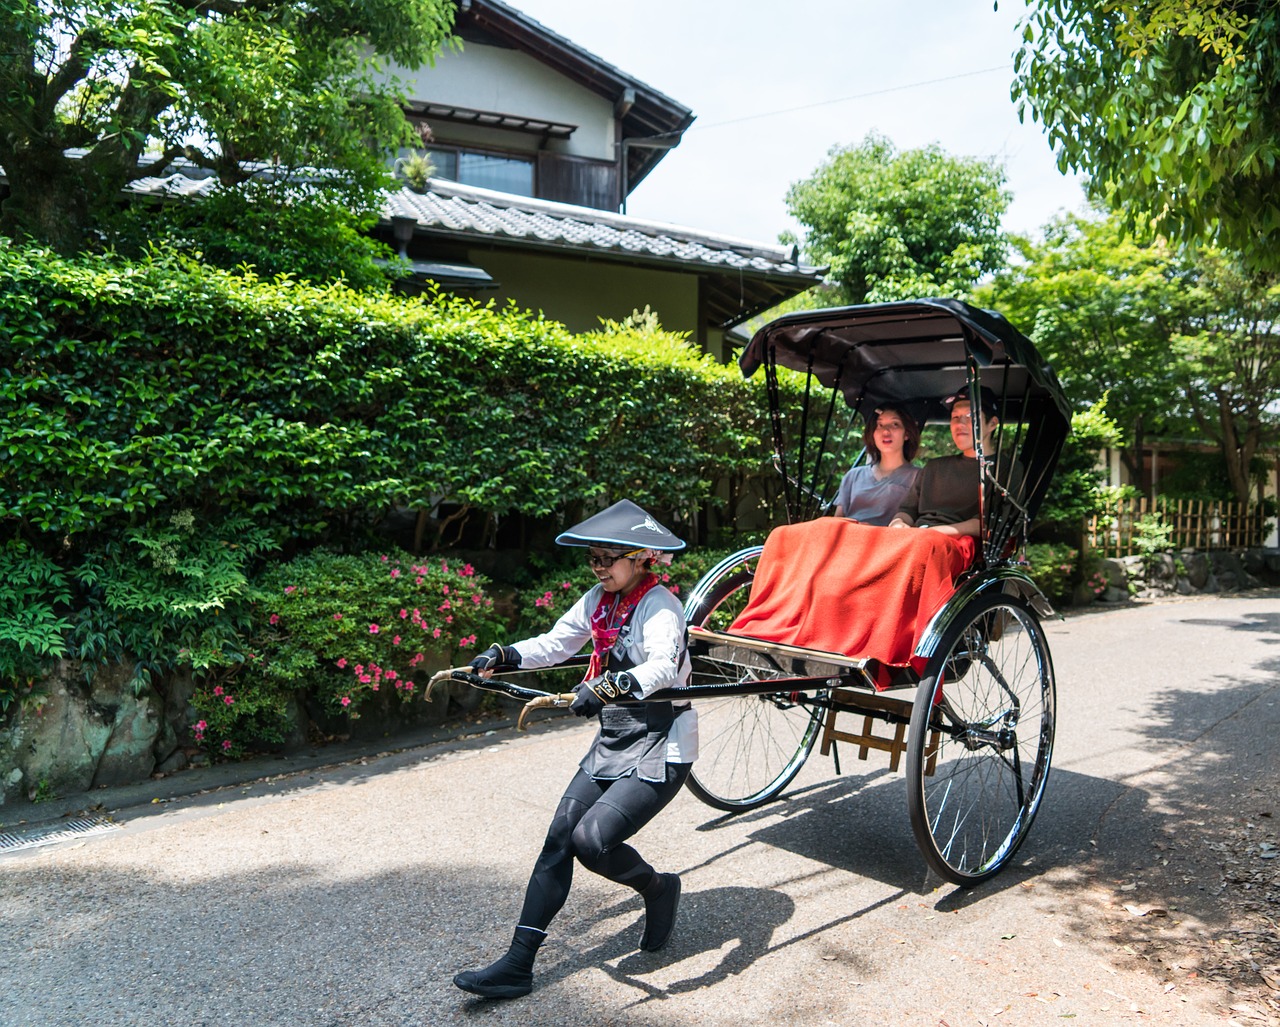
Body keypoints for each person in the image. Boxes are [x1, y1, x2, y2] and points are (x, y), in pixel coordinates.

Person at [452, 499, 696, 1000]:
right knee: (560, 836)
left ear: (640, 558)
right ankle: (518, 965)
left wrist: (605, 687)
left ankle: (658, 888)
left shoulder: (661, 606)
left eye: (609, 557)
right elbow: (558, 642)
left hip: (661, 740)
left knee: (594, 841)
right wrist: (506, 654)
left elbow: (661, 670)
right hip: (615, 737)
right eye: (594, 559)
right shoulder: (598, 601)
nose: (600, 567)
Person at [888, 386, 1001, 539]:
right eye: (955, 417)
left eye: (970, 416)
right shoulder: (934, 467)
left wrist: (930, 533)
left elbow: (984, 523)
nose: (960, 423)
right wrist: (898, 523)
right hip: (916, 537)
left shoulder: (1003, 469)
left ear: (992, 424)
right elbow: (907, 510)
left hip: (956, 544)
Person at [832, 404, 921, 524]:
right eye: (880, 425)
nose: (885, 431)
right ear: (873, 433)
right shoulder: (853, 476)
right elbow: (837, 521)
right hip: (851, 537)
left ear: (907, 434)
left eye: (895, 424)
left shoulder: (918, 477)